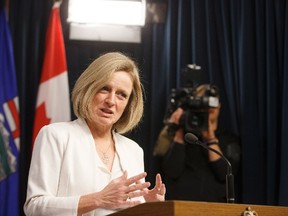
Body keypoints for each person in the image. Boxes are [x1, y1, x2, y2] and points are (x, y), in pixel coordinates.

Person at [24, 52, 166, 216]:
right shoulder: (56, 135)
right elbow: (34, 206)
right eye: (105, 89)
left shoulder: (133, 150)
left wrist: (149, 207)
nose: (111, 101)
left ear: (129, 104)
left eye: (122, 94)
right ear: (88, 89)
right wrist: (99, 199)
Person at [153, 84, 240, 202]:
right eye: (204, 104)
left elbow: (224, 173)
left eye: (212, 102)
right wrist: (180, 130)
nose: (209, 108)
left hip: (214, 209)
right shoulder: (186, 136)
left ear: (219, 105)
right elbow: (171, 171)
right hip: (181, 207)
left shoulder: (228, 138)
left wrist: (210, 138)